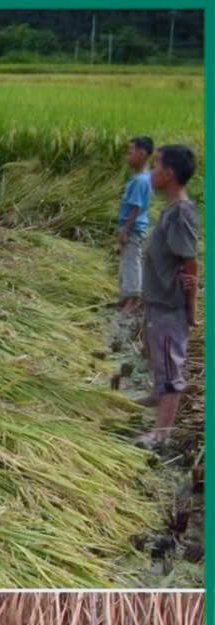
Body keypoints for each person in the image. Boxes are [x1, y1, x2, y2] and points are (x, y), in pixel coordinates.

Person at [138, 144, 199, 447]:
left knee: (170, 367)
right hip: (158, 299)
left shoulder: (181, 214)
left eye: (156, 166)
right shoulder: (171, 209)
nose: (151, 172)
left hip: (169, 304)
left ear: (169, 174)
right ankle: (156, 393)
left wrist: (191, 310)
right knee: (156, 354)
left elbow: (189, 264)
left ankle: (161, 434)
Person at [117, 136, 153, 315]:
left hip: (133, 229)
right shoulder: (144, 177)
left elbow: (136, 207)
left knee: (131, 261)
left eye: (130, 153)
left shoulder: (140, 180)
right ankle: (126, 295)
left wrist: (125, 230)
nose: (128, 157)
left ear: (142, 154)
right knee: (127, 260)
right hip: (134, 227)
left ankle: (132, 299)